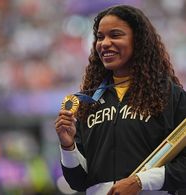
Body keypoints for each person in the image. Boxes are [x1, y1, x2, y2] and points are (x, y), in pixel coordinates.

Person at [54, 5, 186, 195]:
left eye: (115, 35)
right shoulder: (88, 103)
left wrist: (141, 182)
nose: (104, 43)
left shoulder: (169, 96)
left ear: (138, 41)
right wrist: (68, 146)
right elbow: (78, 181)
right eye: (100, 37)